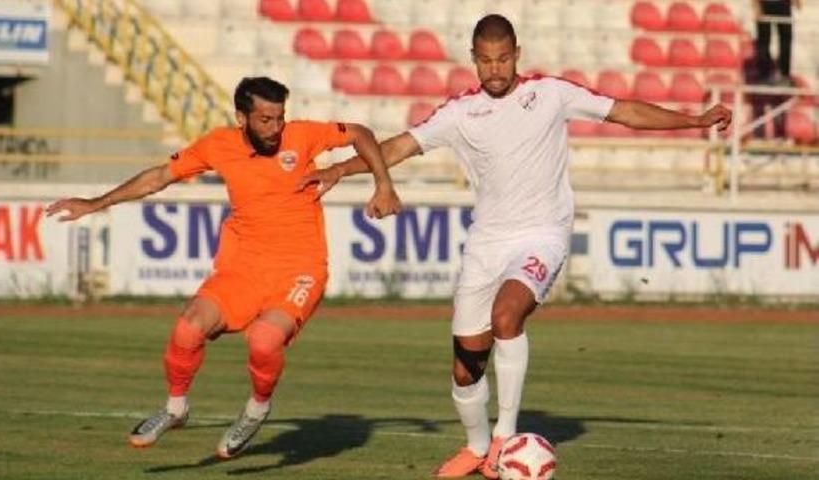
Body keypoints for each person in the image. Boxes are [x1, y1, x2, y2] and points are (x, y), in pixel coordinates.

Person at [298, 15, 732, 479]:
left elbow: (624, 111)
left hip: (542, 234)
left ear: (517, 54)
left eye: (503, 59)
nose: (495, 69)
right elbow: (398, 147)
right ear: (473, 59)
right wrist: (339, 170)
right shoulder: (459, 113)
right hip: (486, 243)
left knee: (507, 316)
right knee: (466, 368)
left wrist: (693, 120)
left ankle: (504, 438)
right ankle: (476, 447)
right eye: (486, 60)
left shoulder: (550, 94)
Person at [45, 76, 401, 459]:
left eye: (279, 117)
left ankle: (256, 410)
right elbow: (159, 177)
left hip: (300, 269)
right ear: (241, 118)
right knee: (188, 327)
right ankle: (175, 408)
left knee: (264, 340)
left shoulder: (302, 135)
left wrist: (383, 184)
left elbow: (360, 133)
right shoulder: (219, 145)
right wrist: (96, 203)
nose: (275, 128)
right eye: (265, 119)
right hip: (243, 268)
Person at [753, 0, 801, 84]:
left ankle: (784, 74)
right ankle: (764, 74)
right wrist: (756, 6)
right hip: (765, 3)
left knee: (785, 39)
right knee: (764, 40)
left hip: (783, 3)